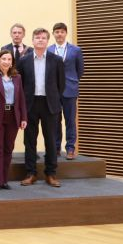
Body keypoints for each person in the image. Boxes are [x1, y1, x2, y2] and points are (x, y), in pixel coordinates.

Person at [17, 28, 66, 187]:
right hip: (30, 104)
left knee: (51, 140)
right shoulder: (23, 60)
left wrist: (54, 99)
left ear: (47, 41)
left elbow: (61, 84)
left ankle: (51, 174)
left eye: (43, 38)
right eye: (37, 37)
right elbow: (19, 84)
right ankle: (31, 173)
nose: (40, 40)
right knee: (29, 141)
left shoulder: (56, 60)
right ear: (32, 41)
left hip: (49, 104)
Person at [0, 50, 27, 191]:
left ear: (12, 62)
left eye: (9, 59)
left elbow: (21, 98)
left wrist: (23, 117)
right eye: (4, 59)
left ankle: (4, 180)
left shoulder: (17, 77)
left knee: (9, 148)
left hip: (13, 116)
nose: (6, 62)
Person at [48, 22, 84, 160]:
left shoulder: (76, 50)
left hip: (70, 89)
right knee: (55, 121)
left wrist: (71, 81)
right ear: (53, 34)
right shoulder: (49, 50)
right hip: (53, 91)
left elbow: (80, 70)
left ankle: (70, 148)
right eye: (57, 32)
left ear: (66, 33)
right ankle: (56, 148)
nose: (59, 34)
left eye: (62, 32)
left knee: (70, 121)